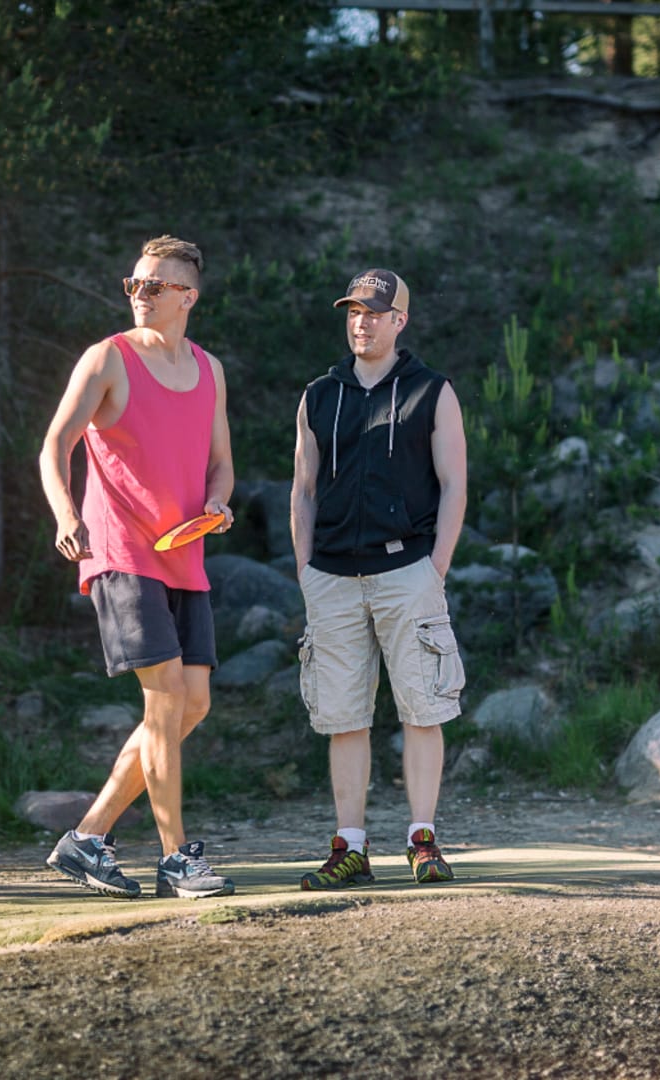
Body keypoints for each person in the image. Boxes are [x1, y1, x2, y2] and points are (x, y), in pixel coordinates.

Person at [36, 235, 236, 900]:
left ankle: (89, 837)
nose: (139, 294)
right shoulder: (108, 358)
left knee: (193, 703)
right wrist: (67, 515)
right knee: (164, 698)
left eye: (154, 285)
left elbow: (220, 462)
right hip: (119, 550)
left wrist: (217, 502)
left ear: (188, 296)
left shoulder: (209, 369)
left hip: (185, 553)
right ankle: (177, 858)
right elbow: (55, 445)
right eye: (133, 283)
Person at [289, 268, 468, 890]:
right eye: (353, 311)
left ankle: (422, 840)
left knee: (423, 710)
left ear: (400, 320)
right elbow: (304, 489)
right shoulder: (319, 394)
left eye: (374, 312)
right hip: (332, 577)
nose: (361, 321)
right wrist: (305, 569)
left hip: (407, 570)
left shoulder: (432, 390)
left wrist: (435, 568)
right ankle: (351, 848)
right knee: (344, 719)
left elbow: (454, 485)